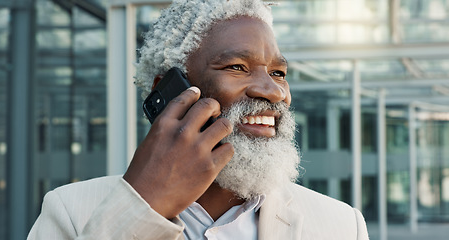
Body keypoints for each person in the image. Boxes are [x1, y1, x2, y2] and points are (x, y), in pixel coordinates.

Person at [28, 0, 369, 239]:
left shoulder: (342, 225)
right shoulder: (71, 211)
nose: (274, 91)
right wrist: (143, 207)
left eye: (279, 73)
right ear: (173, 92)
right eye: (237, 67)